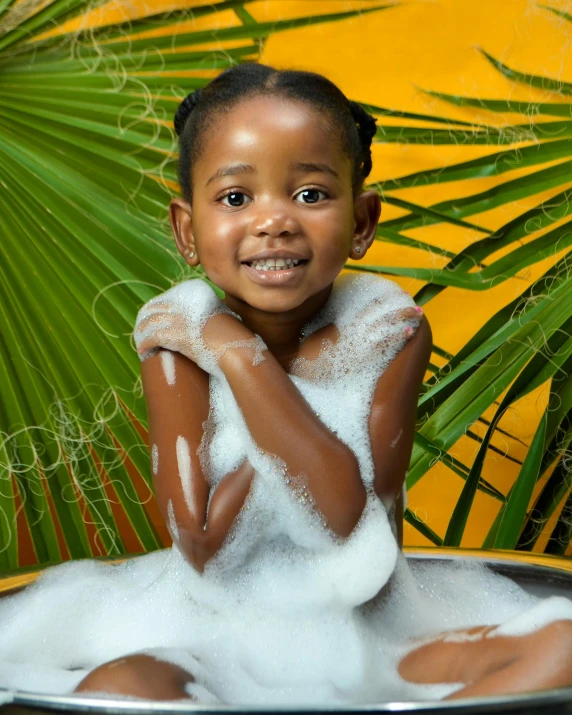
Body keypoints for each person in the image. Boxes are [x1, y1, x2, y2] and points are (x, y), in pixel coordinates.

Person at [75, 64, 572, 703]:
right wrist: (231, 358)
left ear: (362, 222)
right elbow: (199, 542)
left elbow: (343, 519)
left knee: (563, 645)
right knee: (117, 686)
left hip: (376, 636)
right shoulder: (178, 338)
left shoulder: (388, 330)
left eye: (310, 195)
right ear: (186, 230)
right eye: (235, 198)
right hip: (223, 638)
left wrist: (240, 357)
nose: (274, 221)